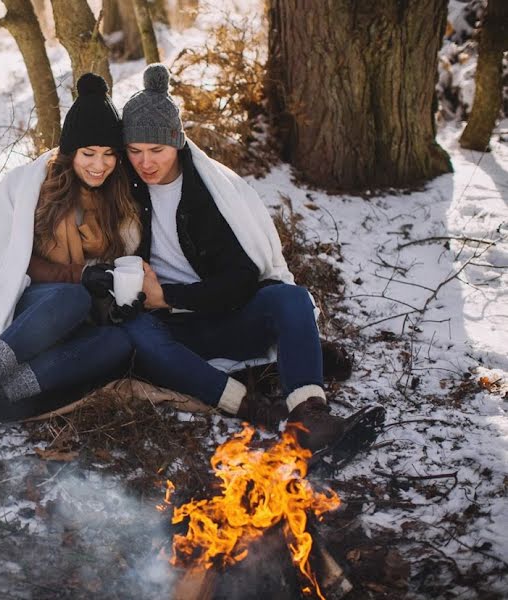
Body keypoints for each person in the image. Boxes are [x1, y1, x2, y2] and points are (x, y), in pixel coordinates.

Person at [118, 64, 381, 453]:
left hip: (224, 315)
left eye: (157, 150)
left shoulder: (210, 193)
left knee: (289, 299)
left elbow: (242, 280)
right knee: (134, 336)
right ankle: (254, 406)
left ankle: (309, 416)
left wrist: (170, 297)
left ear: (178, 142)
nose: (146, 162)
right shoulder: (121, 191)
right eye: (135, 151)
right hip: (173, 333)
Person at [0, 73, 141, 447]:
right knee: (71, 298)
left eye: (108, 154)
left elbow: (126, 259)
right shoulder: (34, 188)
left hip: (83, 311)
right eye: (88, 154)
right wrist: (79, 277)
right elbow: (11, 260)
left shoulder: (119, 198)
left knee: (119, 343)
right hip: (33, 303)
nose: (99, 165)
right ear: (72, 152)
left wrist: (108, 283)